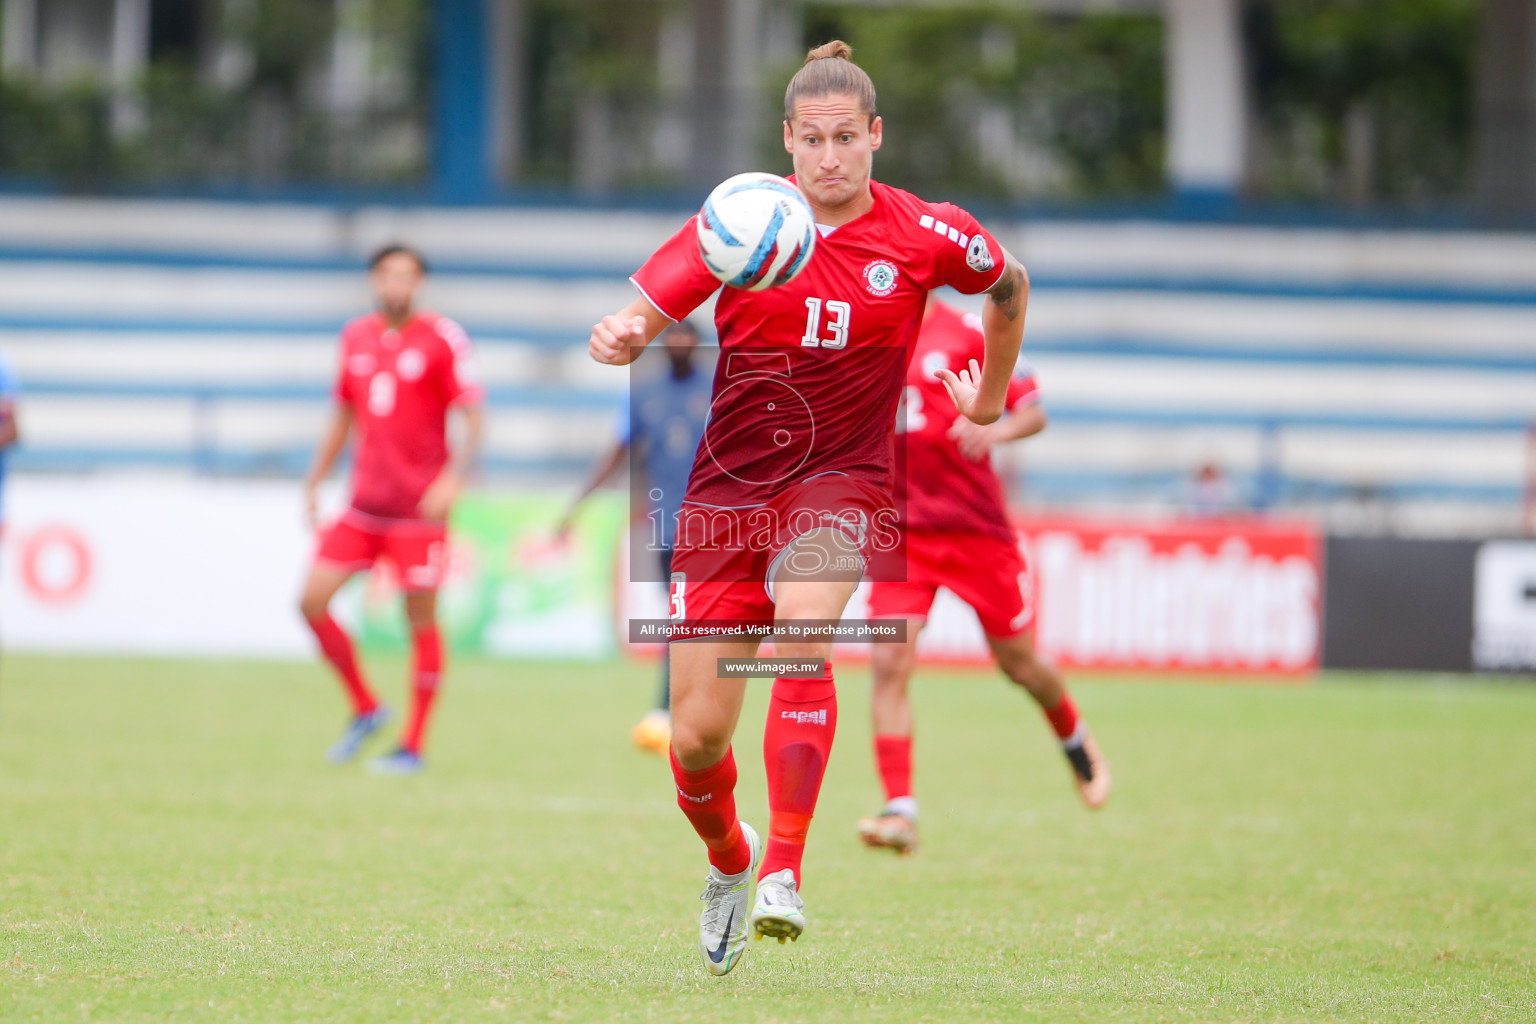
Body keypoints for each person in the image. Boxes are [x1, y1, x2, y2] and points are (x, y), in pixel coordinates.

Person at [587, 41, 1029, 976]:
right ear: (787, 140)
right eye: (812, 140)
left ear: (875, 137)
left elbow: (1010, 287)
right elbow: (644, 312)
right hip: (728, 494)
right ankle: (733, 860)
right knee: (699, 739)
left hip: (843, 483)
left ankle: (785, 869)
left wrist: (987, 400)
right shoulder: (743, 220)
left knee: (805, 626)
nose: (830, 158)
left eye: (846, 139)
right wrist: (624, 337)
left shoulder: (927, 235)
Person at [857, 296, 1111, 857]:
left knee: (1020, 664)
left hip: (975, 532)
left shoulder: (971, 330)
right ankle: (900, 808)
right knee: (888, 662)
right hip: (900, 532)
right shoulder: (860, 327)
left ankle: (1074, 738)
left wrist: (996, 431)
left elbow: (1034, 409)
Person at [298, 244, 484, 775]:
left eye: (406, 275)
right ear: (374, 280)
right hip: (363, 506)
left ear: (419, 281)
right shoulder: (355, 336)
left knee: (419, 619)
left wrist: (454, 477)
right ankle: (366, 707)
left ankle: (413, 745)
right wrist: (315, 479)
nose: (396, 285)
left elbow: (474, 417)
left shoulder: (444, 338)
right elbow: (343, 414)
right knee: (311, 601)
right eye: (386, 275)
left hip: (417, 511)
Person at [558, 320, 712, 755]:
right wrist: (577, 504)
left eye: (687, 338)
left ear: (697, 346)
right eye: (672, 337)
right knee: (683, 618)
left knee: (696, 621)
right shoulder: (642, 392)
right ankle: (671, 712)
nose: (679, 344)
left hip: (717, 525)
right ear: (663, 344)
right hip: (666, 525)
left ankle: (672, 711)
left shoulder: (718, 390)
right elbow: (619, 453)